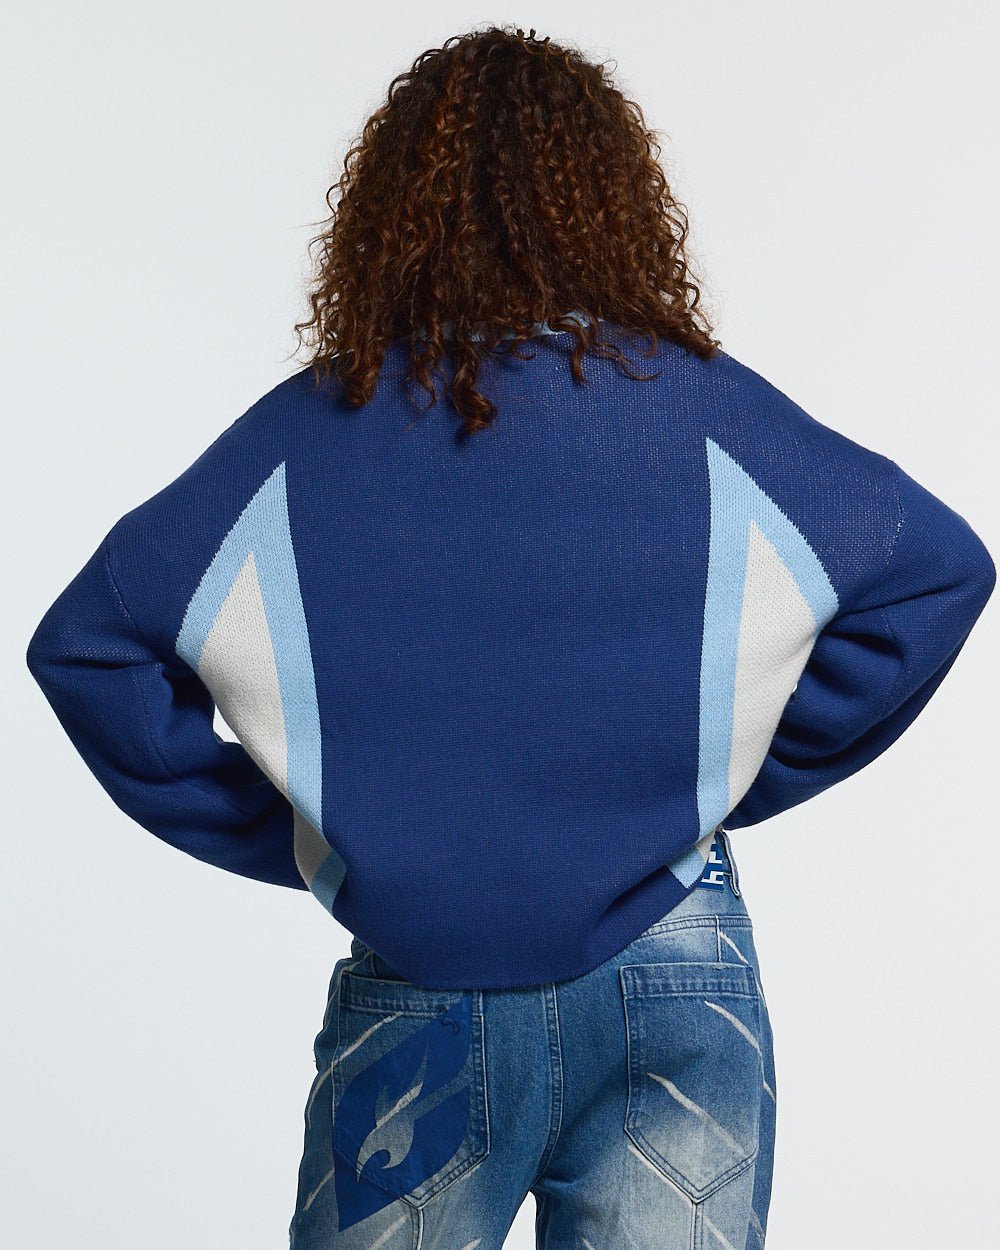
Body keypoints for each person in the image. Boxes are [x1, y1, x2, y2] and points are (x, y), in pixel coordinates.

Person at [24, 24, 995, 1250]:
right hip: (671, 961)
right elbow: (932, 572)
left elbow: (93, 647)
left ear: (388, 213)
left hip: (422, 981)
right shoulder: (701, 410)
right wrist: (715, 775)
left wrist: (318, 837)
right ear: (614, 203)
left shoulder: (306, 434)